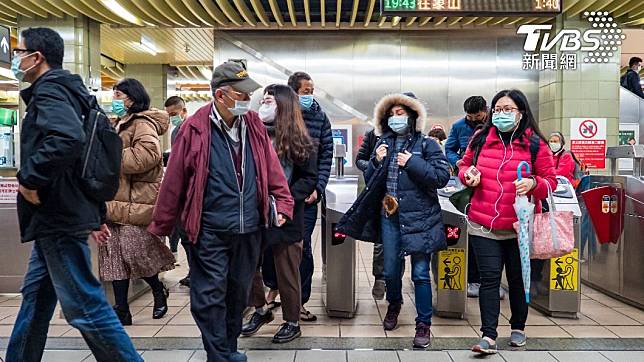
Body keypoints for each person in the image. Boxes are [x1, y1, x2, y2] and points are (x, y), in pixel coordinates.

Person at [6, 27, 141, 362]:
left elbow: (67, 140)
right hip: (64, 211)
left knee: (85, 306)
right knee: (35, 298)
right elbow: (88, 159)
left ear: (36, 57)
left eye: (19, 51)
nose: (15, 57)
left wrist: (29, 179)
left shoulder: (50, 90)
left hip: (58, 214)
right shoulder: (74, 92)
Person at [149, 61, 294, 362]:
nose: (247, 100)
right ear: (220, 95)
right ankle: (219, 355)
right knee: (209, 295)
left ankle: (227, 348)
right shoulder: (194, 128)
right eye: (241, 94)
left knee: (236, 293)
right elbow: (174, 180)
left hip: (249, 228)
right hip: (208, 229)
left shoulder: (252, 124)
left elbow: (271, 168)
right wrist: (161, 226)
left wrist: (282, 203)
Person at [338, 92, 451, 349]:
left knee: (421, 273)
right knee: (390, 270)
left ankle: (423, 324)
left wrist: (412, 163)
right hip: (389, 216)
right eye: (391, 114)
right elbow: (372, 177)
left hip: (421, 217)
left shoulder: (426, 144)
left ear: (412, 117)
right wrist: (375, 161)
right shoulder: (382, 145)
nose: (395, 118)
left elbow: (441, 176)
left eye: (400, 114)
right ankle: (394, 304)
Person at [458, 89, 557, 355]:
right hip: (483, 223)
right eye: (498, 109)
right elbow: (463, 165)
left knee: (517, 280)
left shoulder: (535, 144)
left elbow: (552, 181)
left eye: (508, 109)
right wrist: (468, 174)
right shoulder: (480, 138)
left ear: (521, 113)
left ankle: (518, 327)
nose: (501, 114)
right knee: (489, 280)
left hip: (519, 227)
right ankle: (488, 336)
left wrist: (534, 182)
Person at [243, 84, 318, 343]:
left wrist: (285, 201)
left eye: (270, 102)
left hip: (285, 215)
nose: (263, 106)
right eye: (262, 101)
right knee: (250, 264)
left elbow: (308, 179)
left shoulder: (301, 140)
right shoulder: (250, 135)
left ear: (284, 107)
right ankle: (260, 310)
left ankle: (291, 320)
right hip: (253, 213)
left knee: (287, 270)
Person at [97, 78, 175, 326]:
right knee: (114, 260)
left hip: (137, 202)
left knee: (136, 254)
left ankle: (157, 289)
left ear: (132, 98)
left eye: (119, 95)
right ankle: (122, 311)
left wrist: (109, 157)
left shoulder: (142, 124)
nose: (115, 100)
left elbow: (148, 155)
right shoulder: (118, 123)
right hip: (114, 202)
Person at [285, 71, 334, 322]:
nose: (310, 96)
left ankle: (299, 303)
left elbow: (326, 156)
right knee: (278, 249)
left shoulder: (319, 117)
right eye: (306, 92)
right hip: (279, 197)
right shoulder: (280, 116)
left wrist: (319, 188)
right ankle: (275, 293)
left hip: (307, 198)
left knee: (302, 249)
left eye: (312, 91)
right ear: (293, 92)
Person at [444, 95, 493, 299]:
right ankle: (473, 278)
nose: (473, 119)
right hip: (467, 182)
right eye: (470, 116)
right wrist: (458, 164)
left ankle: (491, 281)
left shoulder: (495, 124)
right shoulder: (458, 126)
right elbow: (449, 148)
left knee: (491, 232)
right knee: (470, 230)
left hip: (491, 184)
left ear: (486, 110)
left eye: (478, 115)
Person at [355, 128, 386, 299]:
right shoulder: (373, 134)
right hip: (379, 194)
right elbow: (360, 160)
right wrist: (376, 163)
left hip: (403, 195)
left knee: (399, 242)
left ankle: (393, 280)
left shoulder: (413, 137)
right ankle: (380, 278)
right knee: (381, 239)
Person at [164, 95, 191, 286]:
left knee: (190, 236)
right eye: (169, 115)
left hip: (190, 190)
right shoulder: (175, 131)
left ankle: (196, 272)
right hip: (180, 190)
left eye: (174, 114)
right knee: (184, 236)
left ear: (183, 110)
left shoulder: (193, 129)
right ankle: (193, 272)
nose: (172, 117)